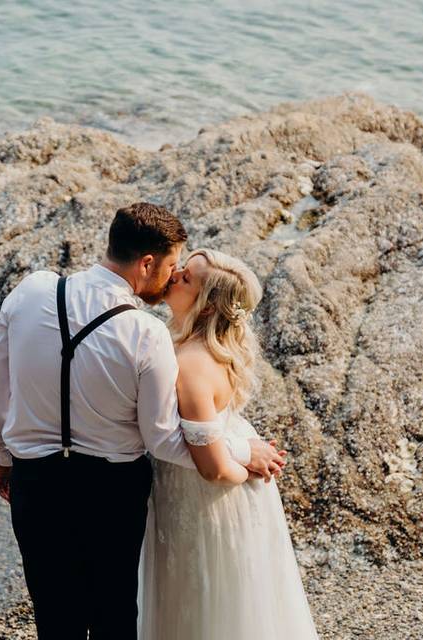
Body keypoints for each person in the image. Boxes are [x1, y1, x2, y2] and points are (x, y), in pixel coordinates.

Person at [0, 202, 287, 640]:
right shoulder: (147, 335)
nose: (172, 276)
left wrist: (4, 457)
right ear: (147, 264)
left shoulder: (32, 290)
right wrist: (241, 450)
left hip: (37, 483)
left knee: (53, 617)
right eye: (171, 266)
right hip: (110, 494)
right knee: (114, 617)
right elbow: (162, 440)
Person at [138, 248, 321, 640]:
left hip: (208, 499)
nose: (175, 274)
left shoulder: (191, 363)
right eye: (183, 268)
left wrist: (247, 468)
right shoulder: (184, 343)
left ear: (206, 307)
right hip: (213, 484)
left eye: (187, 277)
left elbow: (213, 468)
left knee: (205, 603)